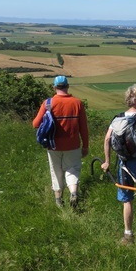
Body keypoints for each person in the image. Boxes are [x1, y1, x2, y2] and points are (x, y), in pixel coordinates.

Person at [101, 84, 136, 245]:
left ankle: (128, 235)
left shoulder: (117, 119)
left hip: (123, 164)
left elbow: (107, 139)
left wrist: (107, 161)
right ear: (135, 101)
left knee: (127, 199)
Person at [33, 75, 89, 209]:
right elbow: (84, 128)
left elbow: (35, 124)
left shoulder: (48, 103)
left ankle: (58, 200)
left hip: (53, 145)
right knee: (73, 169)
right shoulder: (77, 103)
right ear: (67, 86)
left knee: (56, 170)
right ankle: (73, 192)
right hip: (73, 144)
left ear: (54, 87)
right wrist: (85, 146)